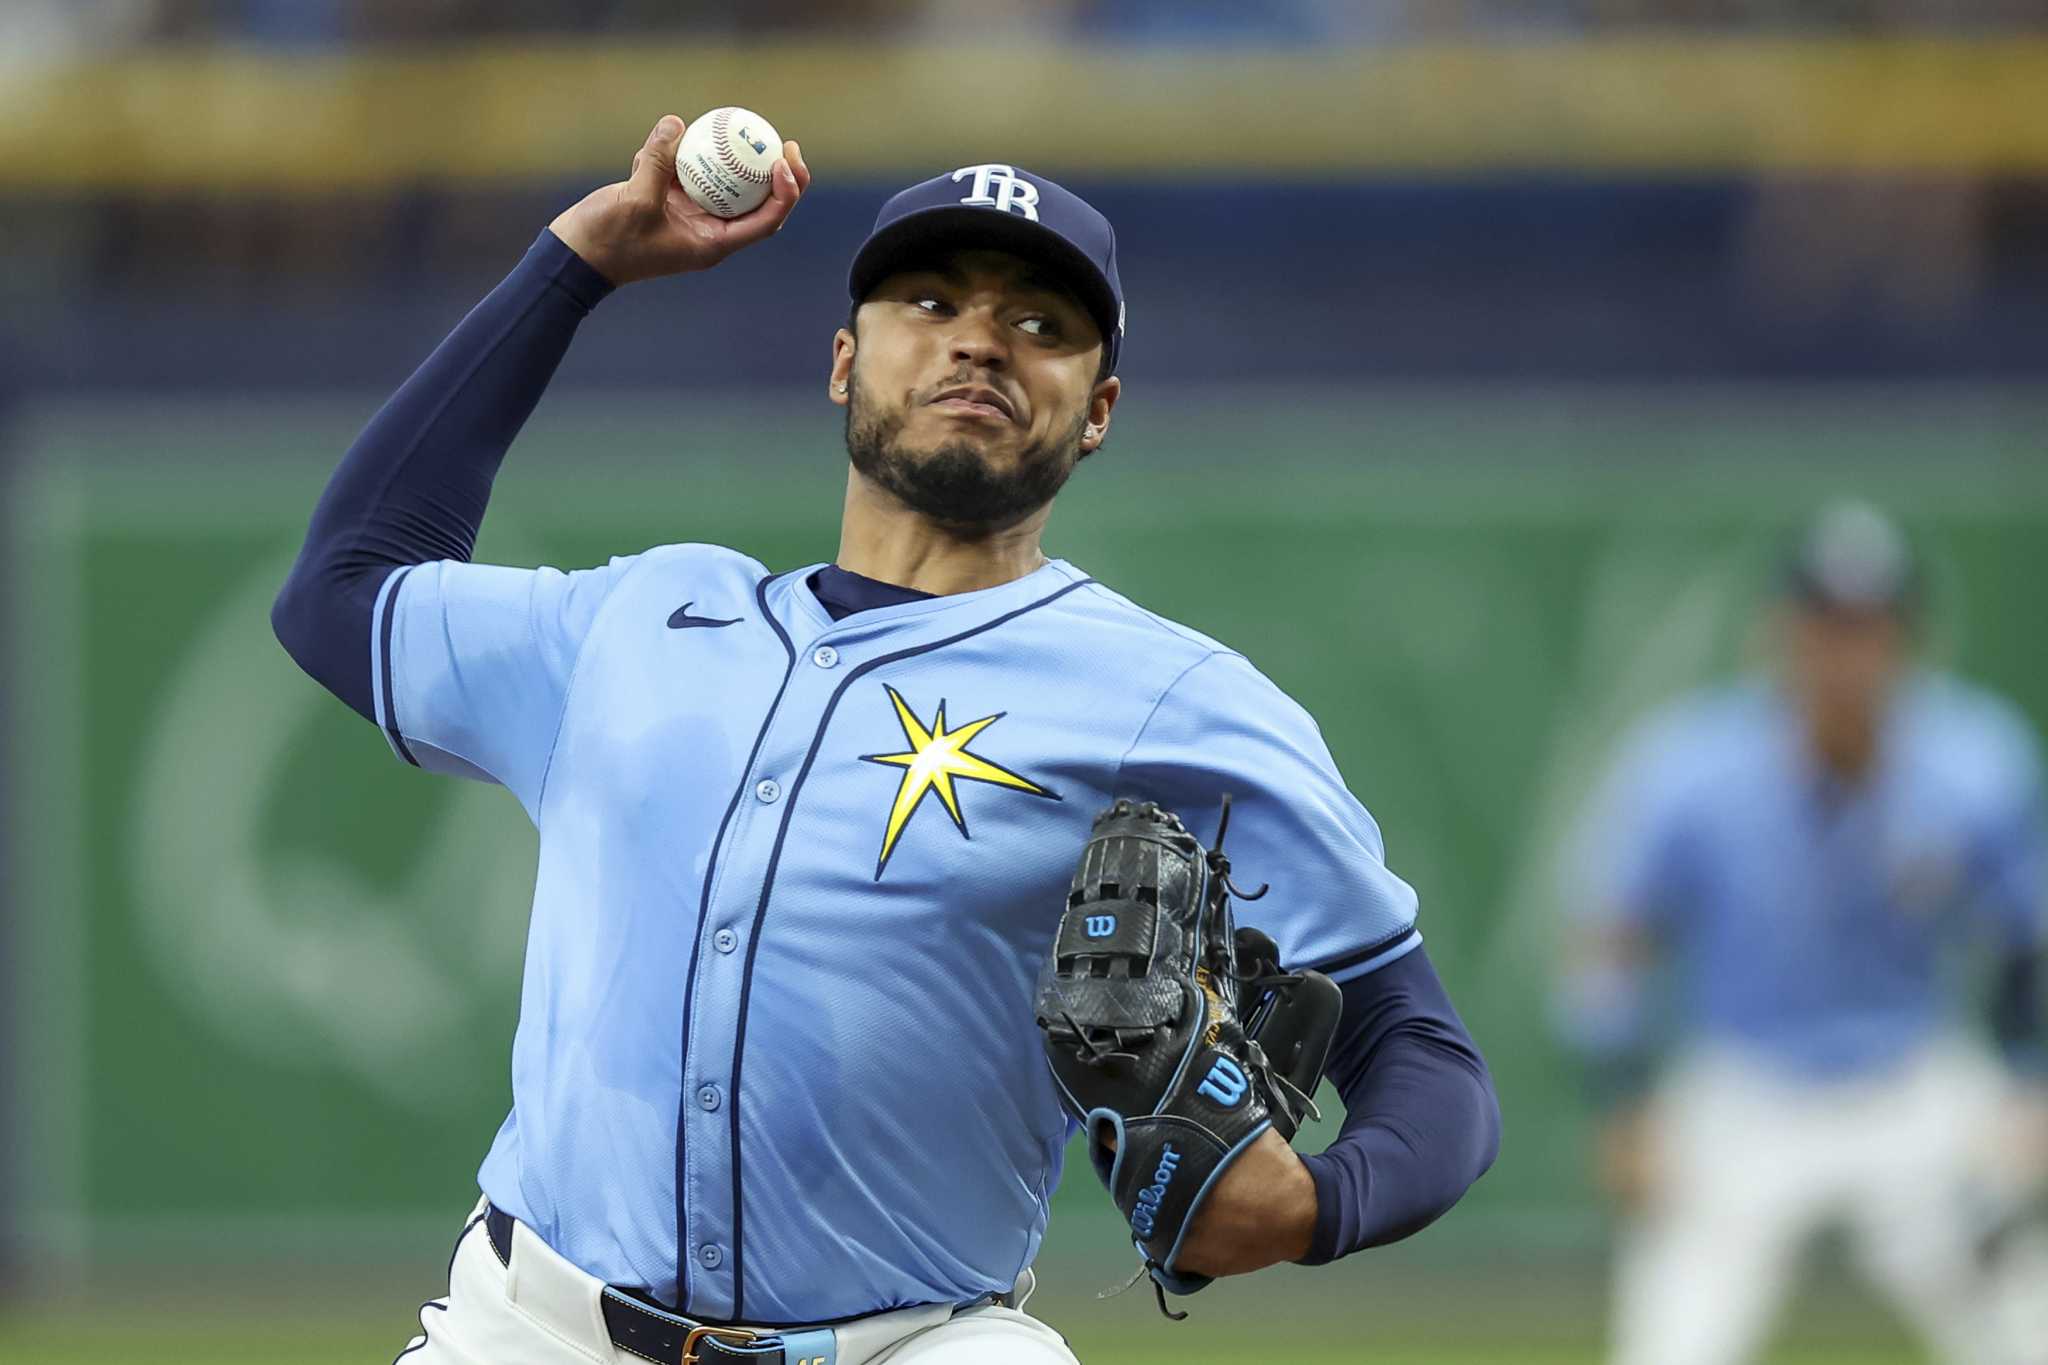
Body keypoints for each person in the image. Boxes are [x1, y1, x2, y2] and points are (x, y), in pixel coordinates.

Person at [273, 115, 1500, 1364]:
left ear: (1099, 411)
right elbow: (340, 593)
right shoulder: (635, 619)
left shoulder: (1169, 697)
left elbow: (1419, 1050)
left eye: (1041, 324)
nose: (978, 338)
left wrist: (1318, 1204)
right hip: (535, 1327)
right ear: (844, 361)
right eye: (929, 300)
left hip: (913, 1341)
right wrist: (576, 261)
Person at [1561, 502, 2048, 1365]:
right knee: (1671, 1345)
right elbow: (1614, 938)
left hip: (1914, 1082)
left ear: (1908, 636)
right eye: (1825, 625)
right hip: (1747, 1086)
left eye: (1866, 627)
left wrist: (2026, 1087)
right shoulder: (1694, 764)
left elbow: (2025, 943)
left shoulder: (1974, 758)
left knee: (2025, 1331)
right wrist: (1623, 1097)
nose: (1844, 653)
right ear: (1782, 631)